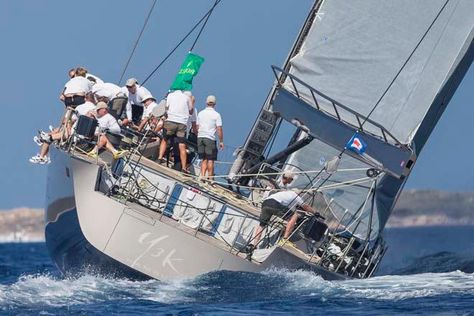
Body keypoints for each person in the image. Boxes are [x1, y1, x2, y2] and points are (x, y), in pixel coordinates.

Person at [247, 189, 317, 252]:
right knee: (294, 216)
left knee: (261, 225)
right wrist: (315, 213)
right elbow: (306, 207)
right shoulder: (295, 195)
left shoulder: (285, 193)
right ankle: (285, 238)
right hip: (275, 204)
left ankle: (254, 245)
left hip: (266, 203)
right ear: (298, 193)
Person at [157, 90, 194, 173]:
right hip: (182, 123)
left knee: (165, 140)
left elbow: (166, 107)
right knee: (182, 145)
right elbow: (191, 111)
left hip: (171, 120)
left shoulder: (171, 95)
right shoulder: (187, 98)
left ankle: (159, 158)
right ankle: (184, 167)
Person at [196, 95, 223, 181]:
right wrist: (221, 141)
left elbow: (197, 126)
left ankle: (202, 176)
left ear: (206, 102)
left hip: (200, 137)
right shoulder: (216, 115)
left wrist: (199, 133)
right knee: (210, 159)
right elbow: (219, 129)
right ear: (215, 104)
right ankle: (210, 179)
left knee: (203, 159)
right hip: (210, 138)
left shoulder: (201, 113)